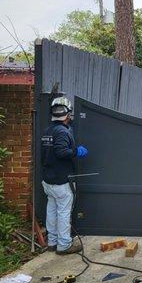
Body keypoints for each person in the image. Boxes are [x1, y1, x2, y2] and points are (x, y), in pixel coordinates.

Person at [41, 97, 88, 255]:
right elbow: (61, 152)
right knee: (63, 212)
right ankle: (64, 245)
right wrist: (77, 151)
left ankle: (52, 242)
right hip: (61, 180)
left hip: (49, 179)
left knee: (52, 210)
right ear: (68, 114)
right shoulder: (62, 131)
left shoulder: (48, 130)